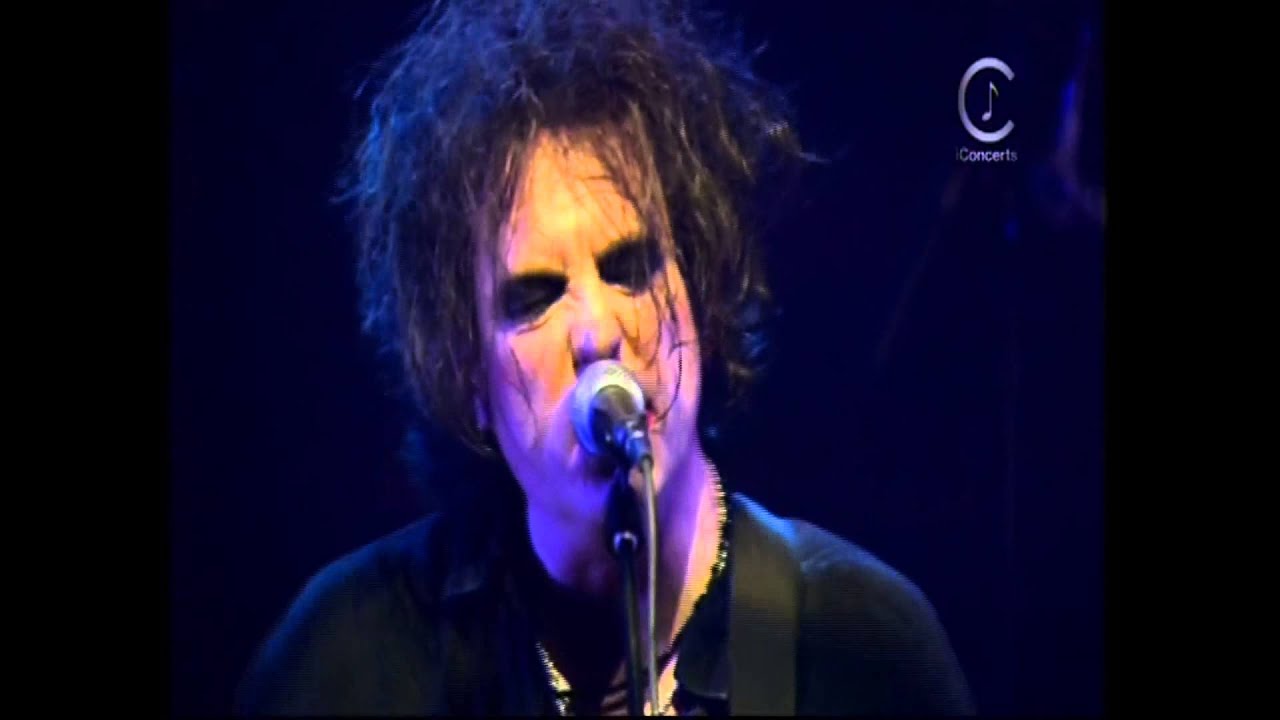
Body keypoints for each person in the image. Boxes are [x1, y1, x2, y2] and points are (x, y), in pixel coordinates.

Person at [234, 0, 974, 715]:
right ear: (467, 375)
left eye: (630, 268)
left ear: (699, 294)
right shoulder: (349, 660)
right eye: (535, 296)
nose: (596, 331)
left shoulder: (859, 647)